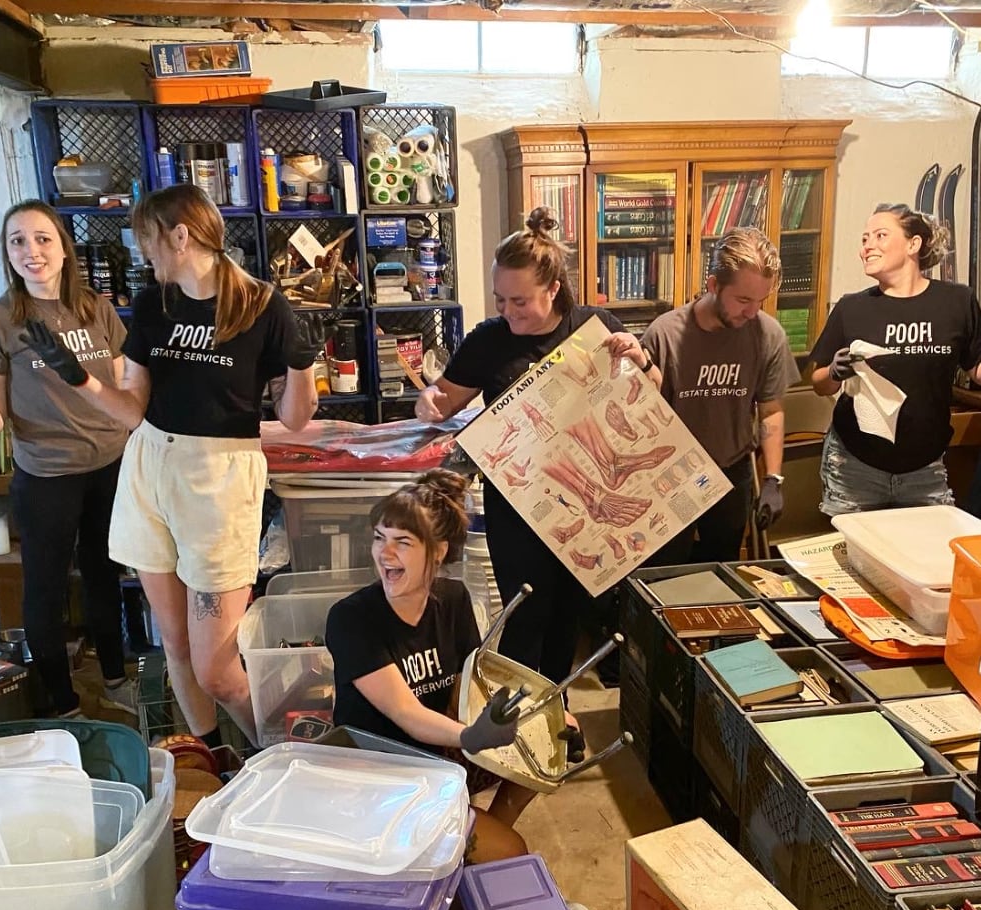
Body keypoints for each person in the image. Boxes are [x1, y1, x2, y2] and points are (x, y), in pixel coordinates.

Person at [25, 184, 318, 747]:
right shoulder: (155, 305)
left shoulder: (261, 305)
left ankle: (289, 755)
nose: (143, 253)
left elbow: (296, 418)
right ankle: (212, 759)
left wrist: (302, 363)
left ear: (180, 235)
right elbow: (132, 409)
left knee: (215, 667)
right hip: (151, 465)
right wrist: (78, 378)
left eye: (148, 240)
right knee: (175, 644)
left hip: (220, 479)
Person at [414, 207, 647, 689]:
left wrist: (640, 357)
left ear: (554, 289)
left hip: (587, 501)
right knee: (524, 614)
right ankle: (519, 718)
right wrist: (427, 401)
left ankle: (556, 710)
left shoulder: (594, 325)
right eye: (501, 300)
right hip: (517, 503)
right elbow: (444, 397)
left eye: (520, 301)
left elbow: (652, 395)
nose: (508, 312)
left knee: (568, 615)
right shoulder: (489, 340)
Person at [325, 470, 531, 858]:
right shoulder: (351, 619)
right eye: (379, 538)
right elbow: (406, 713)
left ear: (438, 551)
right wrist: (470, 738)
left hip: (434, 755)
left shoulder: (453, 598)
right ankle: (459, 841)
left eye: (402, 542)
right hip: (378, 771)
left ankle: (467, 833)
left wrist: (543, 717)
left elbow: (470, 682)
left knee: (546, 744)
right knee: (510, 853)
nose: (385, 555)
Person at [0, 199, 132, 719]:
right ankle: (63, 704)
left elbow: (124, 386)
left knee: (103, 575)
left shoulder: (95, 308)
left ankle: (115, 678)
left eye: (42, 238)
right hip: (46, 475)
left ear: (64, 249)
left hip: (111, 464)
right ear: (7, 252)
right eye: (17, 240)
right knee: (44, 587)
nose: (32, 251)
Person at [642, 226, 800, 563]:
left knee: (722, 568)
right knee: (666, 571)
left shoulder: (768, 335)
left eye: (761, 300)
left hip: (732, 471)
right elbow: (643, 416)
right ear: (713, 285)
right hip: (672, 475)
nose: (753, 311)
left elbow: (770, 409)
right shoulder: (665, 334)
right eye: (743, 300)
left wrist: (774, 478)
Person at [810, 203, 981, 515]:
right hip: (855, 468)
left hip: (924, 470)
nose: (867, 246)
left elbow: (975, 367)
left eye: (880, 235)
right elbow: (820, 384)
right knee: (858, 561)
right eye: (864, 239)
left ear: (913, 244)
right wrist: (834, 371)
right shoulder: (852, 308)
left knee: (925, 557)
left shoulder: (957, 302)